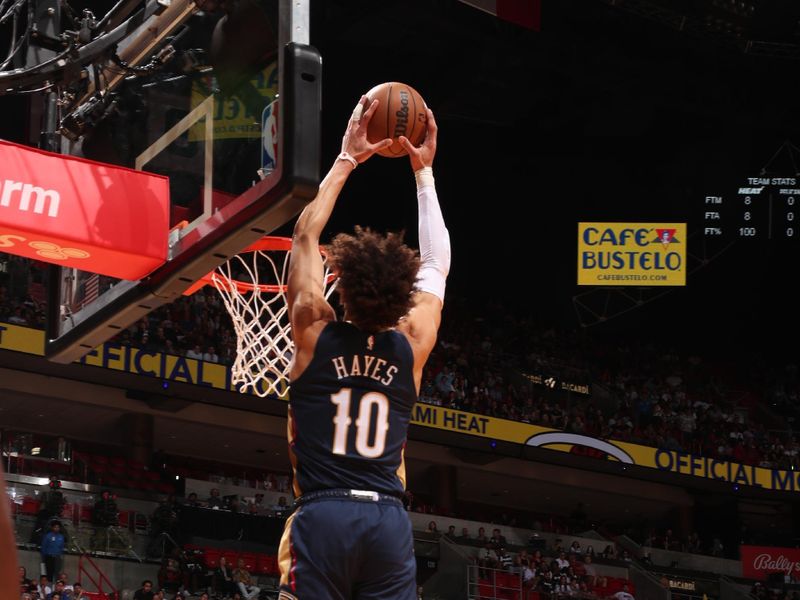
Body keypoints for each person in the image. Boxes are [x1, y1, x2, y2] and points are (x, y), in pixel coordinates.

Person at [277, 96, 447, 600]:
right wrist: (424, 175)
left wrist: (348, 158)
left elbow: (305, 236)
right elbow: (437, 263)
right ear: (401, 293)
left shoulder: (313, 330)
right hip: (387, 521)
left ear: (342, 284)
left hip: (324, 514)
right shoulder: (410, 344)